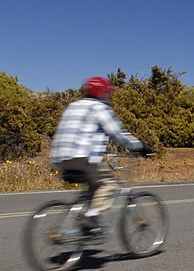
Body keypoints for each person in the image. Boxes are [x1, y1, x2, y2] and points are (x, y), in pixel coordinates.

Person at [50, 76, 153, 231]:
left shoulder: (73, 106)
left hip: (60, 157)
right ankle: (91, 216)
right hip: (82, 158)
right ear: (103, 93)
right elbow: (116, 133)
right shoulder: (98, 108)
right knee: (109, 184)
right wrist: (139, 146)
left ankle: (85, 224)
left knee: (94, 187)